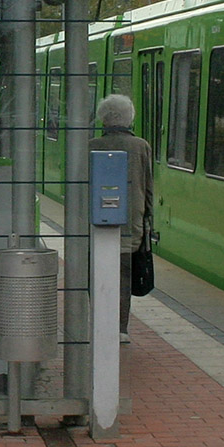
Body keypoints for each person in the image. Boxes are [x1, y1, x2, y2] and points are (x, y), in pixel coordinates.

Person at [88, 94, 153, 344]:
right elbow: (148, 189)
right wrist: (148, 221)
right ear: (129, 118)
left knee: (97, 274)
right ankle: (120, 328)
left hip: (95, 223)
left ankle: (99, 323)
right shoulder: (141, 146)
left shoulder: (90, 145)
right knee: (123, 276)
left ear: (103, 119)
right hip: (129, 225)